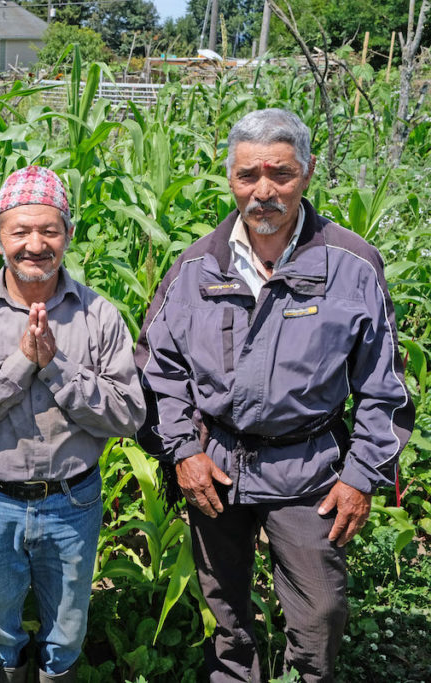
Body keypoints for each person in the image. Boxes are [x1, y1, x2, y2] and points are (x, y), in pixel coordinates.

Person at [137, 108, 414, 682]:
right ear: (231, 179)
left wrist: (361, 476)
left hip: (310, 469)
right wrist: (183, 452)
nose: (264, 191)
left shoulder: (352, 266)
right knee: (225, 615)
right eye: (248, 175)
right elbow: (157, 372)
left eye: (281, 174)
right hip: (215, 467)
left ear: (308, 173)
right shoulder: (195, 267)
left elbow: (383, 387)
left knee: (321, 614)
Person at [0, 166, 146, 682]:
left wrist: (57, 367)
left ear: (68, 234)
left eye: (49, 230)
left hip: (72, 502)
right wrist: (20, 365)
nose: (34, 244)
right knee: (0, 630)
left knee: (67, 631)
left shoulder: (99, 316)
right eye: (20, 231)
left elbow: (129, 414)